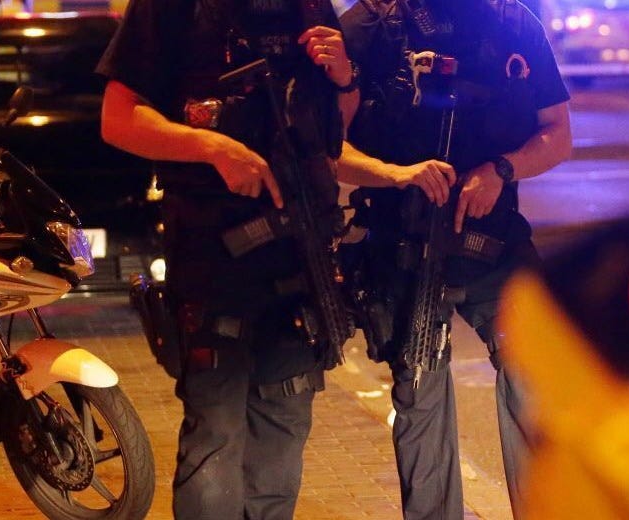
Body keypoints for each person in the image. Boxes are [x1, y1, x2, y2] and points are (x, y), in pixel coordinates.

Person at [95, 0, 360, 518]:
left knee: (285, 420)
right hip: (215, 257)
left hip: (298, 258)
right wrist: (215, 149)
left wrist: (345, 78)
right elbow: (118, 119)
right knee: (215, 428)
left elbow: (334, 136)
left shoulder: (308, 6)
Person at [332, 0, 573, 518]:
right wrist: (396, 174)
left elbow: (557, 131)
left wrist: (503, 170)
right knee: (420, 399)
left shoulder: (513, 22)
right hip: (403, 244)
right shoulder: (370, 26)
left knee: (538, 380)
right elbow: (328, 150)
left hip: (496, 242)